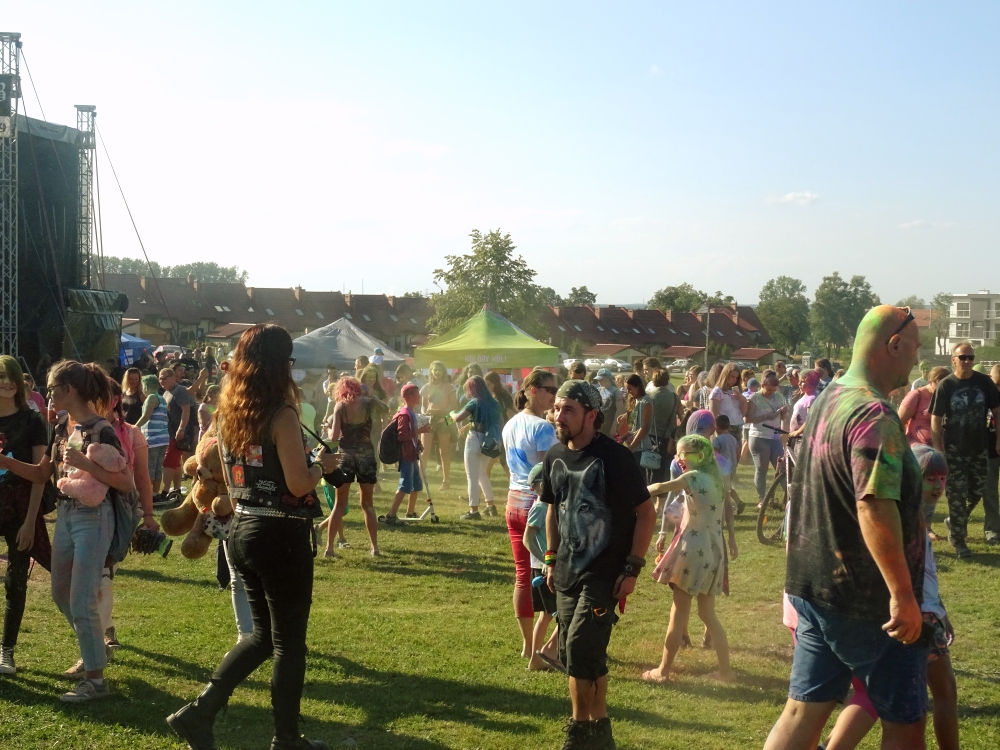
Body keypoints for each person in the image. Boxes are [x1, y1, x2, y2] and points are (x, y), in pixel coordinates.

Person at [166, 324, 340, 750]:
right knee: (288, 644)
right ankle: (286, 739)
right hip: (280, 534)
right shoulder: (281, 415)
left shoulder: (228, 413)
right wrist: (324, 466)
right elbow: (298, 484)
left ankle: (199, 713)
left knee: (261, 637)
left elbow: (230, 477)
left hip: (242, 529)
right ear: (279, 365)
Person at [763, 305, 927, 750]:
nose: (917, 360)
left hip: (815, 587)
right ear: (894, 345)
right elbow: (874, 507)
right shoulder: (874, 414)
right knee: (905, 726)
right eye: (914, 349)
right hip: (866, 601)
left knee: (801, 712)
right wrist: (903, 595)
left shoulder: (831, 396)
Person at [817, 444, 958, 750]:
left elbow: (926, 576)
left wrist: (942, 610)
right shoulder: (904, 520)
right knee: (938, 696)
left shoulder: (909, 516)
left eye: (942, 478)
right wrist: (931, 613)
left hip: (916, 614)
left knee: (883, 698)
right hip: (917, 619)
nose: (938, 485)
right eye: (929, 478)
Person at [541, 380, 655, 750]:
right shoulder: (554, 456)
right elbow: (553, 509)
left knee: (578, 648)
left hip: (605, 574)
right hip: (566, 571)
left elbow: (646, 513)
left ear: (591, 415)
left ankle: (578, 732)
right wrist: (550, 558)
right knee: (581, 654)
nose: (559, 416)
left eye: (568, 410)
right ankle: (601, 730)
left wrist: (633, 568)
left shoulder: (615, 458)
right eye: (557, 408)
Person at [46, 361, 135, 701]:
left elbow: (125, 482)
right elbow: (48, 470)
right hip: (66, 515)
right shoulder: (64, 425)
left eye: (52, 390)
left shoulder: (101, 429)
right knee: (60, 593)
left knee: (82, 598)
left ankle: (96, 682)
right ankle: (95, 648)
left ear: (69, 390)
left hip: (93, 518)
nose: (49, 396)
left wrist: (86, 465)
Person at [644, 434, 738, 684]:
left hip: (692, 551)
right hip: (713, 552)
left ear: (700, 456)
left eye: (682, 454)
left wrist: (630, 493)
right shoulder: (717, 479)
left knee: (678, 613)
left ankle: (662, 671)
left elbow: (660, 488)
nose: (678, 459)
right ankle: (726, 672)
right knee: (708, 615)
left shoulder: (692, 477)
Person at [97, 378, 159, 663]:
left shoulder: (132, 434)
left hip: (122, 511)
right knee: (97, 578)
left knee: (105, 575)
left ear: (114, 400)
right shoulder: (81, 429)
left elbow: (142, 478)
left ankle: (102, 636)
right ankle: (103, 631)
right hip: (89, 509)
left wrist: (148, 515)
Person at [501, 370, 559, 660]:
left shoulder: (510, 423)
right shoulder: (543, 427)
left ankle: (528, 645)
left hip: (513, 500)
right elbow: (548, 474)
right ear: (533, 390)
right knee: (549, 571)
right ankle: (542, 646)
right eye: (550, 390)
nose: (554, 396)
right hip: (536, 504)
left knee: (523, 576)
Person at [0, 355, 51, 676]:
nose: (6, 382)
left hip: (19, 508)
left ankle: (6, 651)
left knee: (15, 580)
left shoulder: (32, 421)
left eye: (11, 377)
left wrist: (31, 521)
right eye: (0, 377)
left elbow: (39, 476)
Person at [930, 342, 1000, 555]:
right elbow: (936, 418)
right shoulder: (946, 385)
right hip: (954, 449)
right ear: (954, 360)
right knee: (957, 494)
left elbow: (997, 412)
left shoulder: (984, 383)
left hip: (979, 447)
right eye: (963, 357)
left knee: (977, 491)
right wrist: (938, 449)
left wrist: (998, 439)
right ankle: (958, 539)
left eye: (971, 357)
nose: (967, 361)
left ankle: (954, 520)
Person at [324, 376, 388, 557]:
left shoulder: (340, 407)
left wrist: (327, 427)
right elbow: (386, 409)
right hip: (366, 455)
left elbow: (334, 437)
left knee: (339, 504)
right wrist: (372, 397)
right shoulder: (368, 403)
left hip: (346, 456)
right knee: (368, 504)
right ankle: (374, 548)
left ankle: (329, 548)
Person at [522, 462, 559, 672]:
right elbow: (527, 539)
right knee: (549, 614)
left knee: (552, 614)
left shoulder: (552, 506)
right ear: (542, 485)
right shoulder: (539, 508)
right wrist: (545, 561)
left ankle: (546, 653)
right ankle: (538, 657)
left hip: (551, 566)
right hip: (543, 569)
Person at [450, 375, 503, 520]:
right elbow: (499, 422)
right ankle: (490, 505)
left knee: (472, 477)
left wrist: (451, 413)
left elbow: (458, 418)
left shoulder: (474, 402)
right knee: (482, 474)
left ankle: (473, 511)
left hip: (474, 439)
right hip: (489, 441)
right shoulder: (495, 403)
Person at [382, 384, 430, 524]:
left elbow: (410, 435)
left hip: (412, 454)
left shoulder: (412, 413)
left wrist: (418, 442)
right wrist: (420, 431)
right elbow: (402, 436)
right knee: (405, 486)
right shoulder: (404, 415)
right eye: (417, 394)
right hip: (406, 455)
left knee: (416, 485)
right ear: (409, 397)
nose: (419, 396)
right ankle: (391, 515)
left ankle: (410, 512)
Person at [745, 371, 789, 504]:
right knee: (761, 469)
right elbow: (747, 419)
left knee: (782, 468)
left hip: (775, 437)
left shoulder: (779, 396)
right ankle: (762, 499)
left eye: (774, 390)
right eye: (769, 390)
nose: (771, 392)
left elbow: (783, 417)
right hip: (759, 437)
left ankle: (789, 498)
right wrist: (766, 416)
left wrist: (784, 412)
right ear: (762, 385)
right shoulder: (754, 398)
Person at [159, 368, 197, 502]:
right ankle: (177, 489)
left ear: (172, 377)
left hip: (179, 433)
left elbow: (186, 410)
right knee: (175, 463)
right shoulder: (166, 393)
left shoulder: (179, 390)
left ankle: (164, 492)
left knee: (168, 461)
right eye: (160, 378)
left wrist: (181, 429)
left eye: (164, 378)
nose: (161, 380)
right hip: (170, 432)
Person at [420, 361, 458, 490]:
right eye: (435, 370)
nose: (437, 372)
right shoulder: (426, 387)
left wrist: (444, 417)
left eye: (439, 370)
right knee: (424, 451)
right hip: (429, 419)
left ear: (444, 372)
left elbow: (454, 407)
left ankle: (446, 481)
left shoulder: (449, 387)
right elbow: (423, 406)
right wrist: (425, 415)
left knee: (444, 452)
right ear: (431, 371)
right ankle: (420, 480)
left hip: (445, 420)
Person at [134, 374, 170, 502]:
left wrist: (134, 428)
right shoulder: (162, 398)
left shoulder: (151, 398)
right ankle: (155, 494)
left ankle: (147, 494)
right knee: (157, 468)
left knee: (149, 468)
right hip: (163, 438)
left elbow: (146, 416)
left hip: (153, 438)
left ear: (145, 387)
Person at [898, 366, 949, 448]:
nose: (943, 388)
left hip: (944, 450)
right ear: (930, 382)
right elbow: (898, 423)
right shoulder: (916, 396)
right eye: (939, 384)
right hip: (918, 449)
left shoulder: (948, 396)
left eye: (946, 385)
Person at [645, 369, 679, 483]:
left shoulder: (649, 397)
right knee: (667, 467)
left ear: (653, 382)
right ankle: (665, 490)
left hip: (652, 437)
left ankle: (652, 489)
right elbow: (681, 416)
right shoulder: (675, 397)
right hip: (670, 438)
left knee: (652, 468)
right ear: (667, 381)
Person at [619, 374, 653, 474]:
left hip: (641, 449)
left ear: (638, 386)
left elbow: (644, 427)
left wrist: (631, 447)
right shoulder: (636, 400)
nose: (628, 392)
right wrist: (622, 439)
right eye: (626, 389)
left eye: (630, 388)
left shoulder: (646, 401)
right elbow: (634, 428)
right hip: (634, 449)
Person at [709, 362, 747, 441]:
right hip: (724, 427)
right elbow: (713, 414)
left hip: (737, 426)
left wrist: (743, 400)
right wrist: (719, 429)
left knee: (737, 448)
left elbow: (742, 414)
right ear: (725, 375)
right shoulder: (717, 391)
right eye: (732, 376)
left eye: (736, 378)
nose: (734, 380)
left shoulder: (736, 391)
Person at [594, 368, 623, 438]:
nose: (598, 381)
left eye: (600, 379)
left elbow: (619, 410)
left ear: (607, 379)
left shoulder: (616, 392)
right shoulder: (598, 390)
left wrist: (614, 426)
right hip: (599, 425)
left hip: (610, 425)